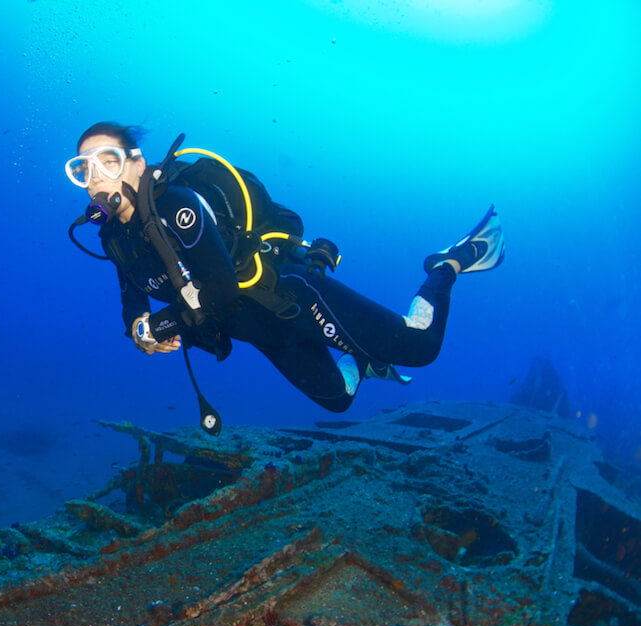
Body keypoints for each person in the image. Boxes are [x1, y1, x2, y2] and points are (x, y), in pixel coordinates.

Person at [64, 121, 505, 421]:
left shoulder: (178, 205)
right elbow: (132, 298)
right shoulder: (113, 237)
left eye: (109, 160)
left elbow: (219, 289)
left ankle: (451, 261)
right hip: (259, 330)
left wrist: (155, 327)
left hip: (291, 296)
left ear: (137, 164)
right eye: (83, 168)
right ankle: (364, 361)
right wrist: (136, 332)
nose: (97, 177)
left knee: (421, 347)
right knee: (336, 402)